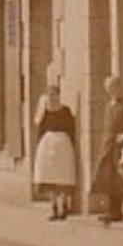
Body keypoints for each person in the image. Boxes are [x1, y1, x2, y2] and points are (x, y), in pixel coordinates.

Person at [91, 76, 123, 226]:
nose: (113, 90)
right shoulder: (108, 105)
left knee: (119, 177)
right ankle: (111, 208)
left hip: (120, 145)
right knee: (107, 175)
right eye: (110, 88)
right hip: (108, 145)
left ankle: (119, 210)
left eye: (116, 87)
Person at [33, 85, 78, 221]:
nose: (52, 98)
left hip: (63, 145)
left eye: (55, 95)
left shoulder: (65, 111)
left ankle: (63, 206)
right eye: (50, 95)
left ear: (59, 95)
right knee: (49, 178)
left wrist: (72, 144)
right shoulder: (44, 112)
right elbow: (40, 130)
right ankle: (53, 206)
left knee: (62, 177)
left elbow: (71, 129)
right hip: (47, 144)